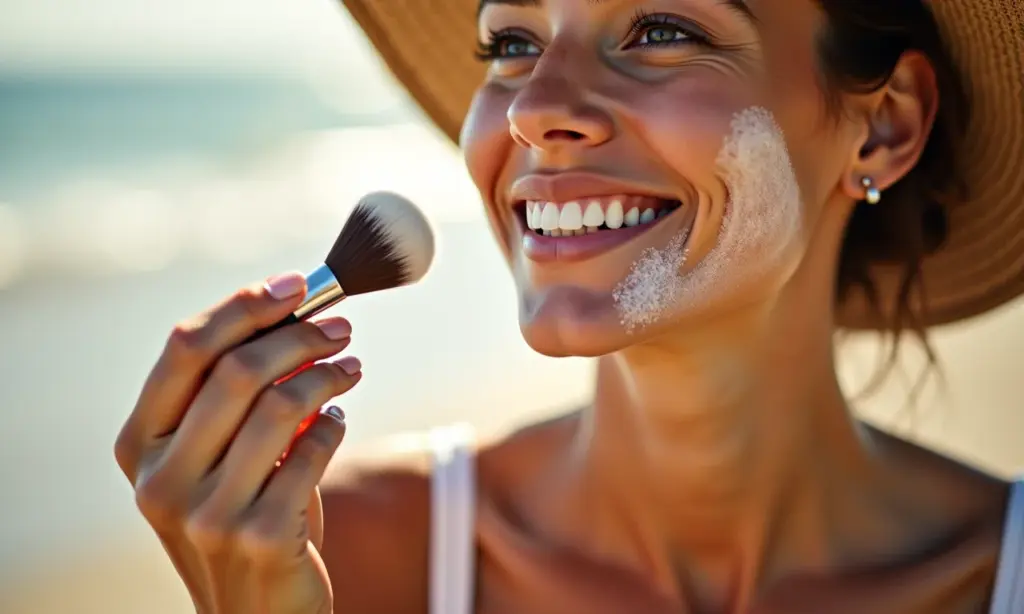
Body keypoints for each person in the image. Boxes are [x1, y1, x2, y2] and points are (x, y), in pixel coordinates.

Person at [114, 0, 1024, 612]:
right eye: (512, 43)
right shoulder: (337, 552)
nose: (534, 109)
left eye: (662, 27)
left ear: (888, 121)